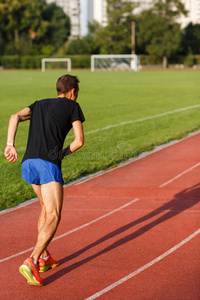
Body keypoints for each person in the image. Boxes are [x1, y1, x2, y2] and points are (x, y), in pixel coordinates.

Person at [4, 74, 85, 286]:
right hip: (47, 163)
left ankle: (45, 258)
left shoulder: (39, 104)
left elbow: (14, 117)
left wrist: (9, 145)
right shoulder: (72, 106)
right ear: (73, 92)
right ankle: (32, 260)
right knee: (54, 214)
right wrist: (64, 153)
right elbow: (79, 141)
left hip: (28, 162)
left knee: (44, 207)